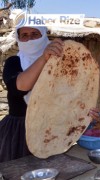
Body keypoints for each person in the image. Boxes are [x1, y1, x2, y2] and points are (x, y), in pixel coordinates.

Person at [0, 26, 64, 162]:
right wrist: (43, 58)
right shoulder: (13, 62)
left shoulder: (60, 64)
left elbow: (65, 97)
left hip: (50, 129)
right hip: (19, 133)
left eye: (35, 34)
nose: (29, 38)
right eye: (24, 35)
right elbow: (20, 86)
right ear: (19, 39)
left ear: (43, 36)